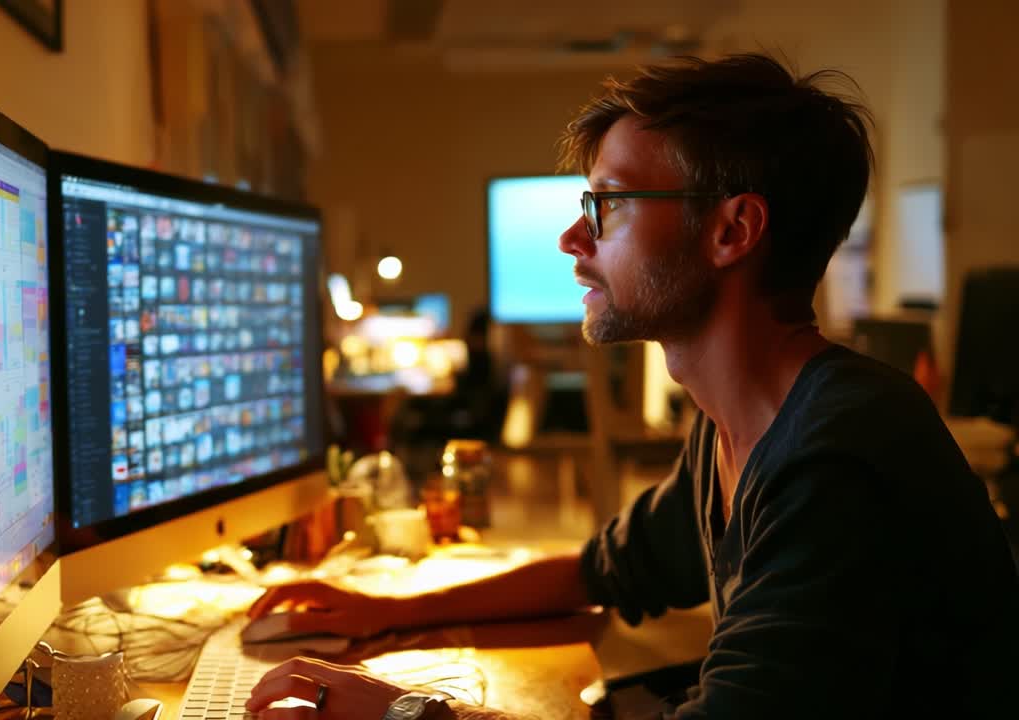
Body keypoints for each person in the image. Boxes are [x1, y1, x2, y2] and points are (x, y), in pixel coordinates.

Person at [243, 53, 1019, 719]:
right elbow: (599, 571)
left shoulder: (837, 455)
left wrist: (410, 709)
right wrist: (385, 613)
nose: (573, 239)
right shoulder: (737, 423)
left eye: (606, 204)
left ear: (732, 231)